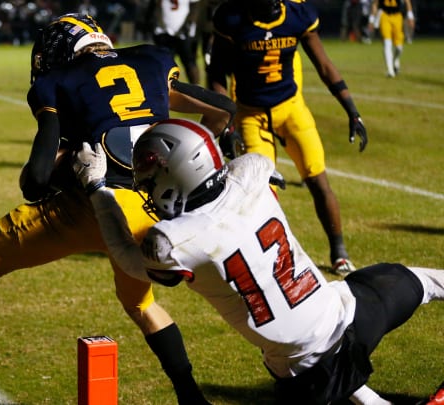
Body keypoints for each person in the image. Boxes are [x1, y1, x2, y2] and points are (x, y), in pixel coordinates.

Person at [0, 13, 236, 405]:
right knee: (141, 303)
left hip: (92, 207)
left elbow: (34, 182)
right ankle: (190, 397)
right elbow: (222, 110)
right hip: (155, 210)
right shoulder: (151, 60)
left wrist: (65, 161)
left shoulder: (59, 81)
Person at [72, 117, 444, 405]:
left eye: (150, 180)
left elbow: (127, 258)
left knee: (323, 372)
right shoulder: (253, 169)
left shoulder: (172, 242)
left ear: (176, 175)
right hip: (350, 311)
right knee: (425, 282)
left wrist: (97, 188)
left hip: (304, 371)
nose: (148, 189)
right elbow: (250, 165)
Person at [206, 0, 368, 276]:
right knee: (261, 193)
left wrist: (353, 112)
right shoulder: (231, 17)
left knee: (317, 177)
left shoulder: (297, 15)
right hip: (251, 113)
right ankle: (271, 260)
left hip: (291, 108)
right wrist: (227, 121)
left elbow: (325, 65)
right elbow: (217, 73)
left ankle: (339, 252)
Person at [152, 0, 201, 84]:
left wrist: (188, 24)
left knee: (189, 62)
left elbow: (195, 7)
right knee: (164, 63)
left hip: (183, 33)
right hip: (164, 32)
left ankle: (196, 89)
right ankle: (166, 89)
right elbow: (156, 6)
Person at [368, 0, 415, 78]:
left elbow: (407, 1)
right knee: (387, 42)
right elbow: (375, 4)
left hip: (397, 16)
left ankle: (395, 60)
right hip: (384, 15)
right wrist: (371, 20)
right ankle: (390, 71)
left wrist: (410, 16)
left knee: (399, 47)